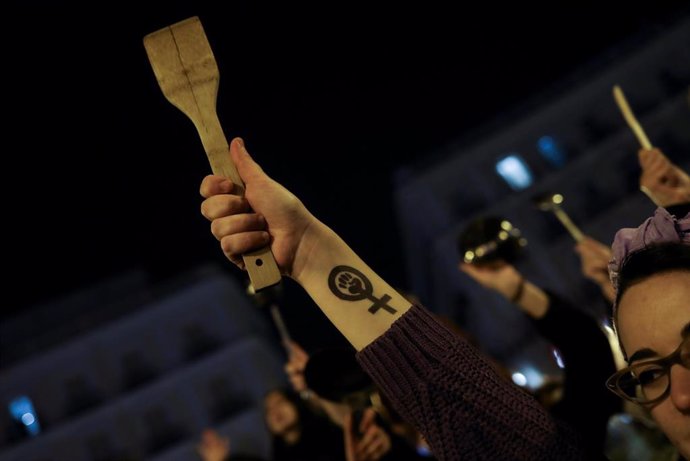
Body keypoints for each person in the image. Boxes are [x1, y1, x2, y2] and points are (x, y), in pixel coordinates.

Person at [199, 138, 592, 460]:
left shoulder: (565, 421)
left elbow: (585, 350)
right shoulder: (410, 447)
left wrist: (520, 292)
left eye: (439, 343)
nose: (431, 354)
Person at [459, 256, 622, 457]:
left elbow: (586, 349)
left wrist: (519, 292)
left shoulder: (559, 431)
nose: (485, 365)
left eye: (472, 349)